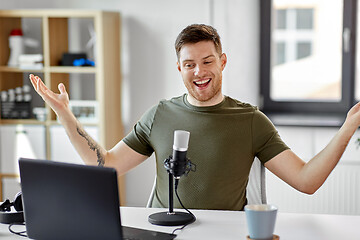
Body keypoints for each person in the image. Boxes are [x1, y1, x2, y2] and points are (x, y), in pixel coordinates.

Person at [29, 24, 360, 211]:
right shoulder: (159, 115)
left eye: (207, 61)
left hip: (225, 233)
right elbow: (106, 164)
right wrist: (65, 115)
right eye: (190, 64)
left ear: (222, 61)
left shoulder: (250, 120)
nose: (199, 72)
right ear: (180, 68)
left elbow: (306, 181)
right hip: (166, 230)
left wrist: (348, 128)